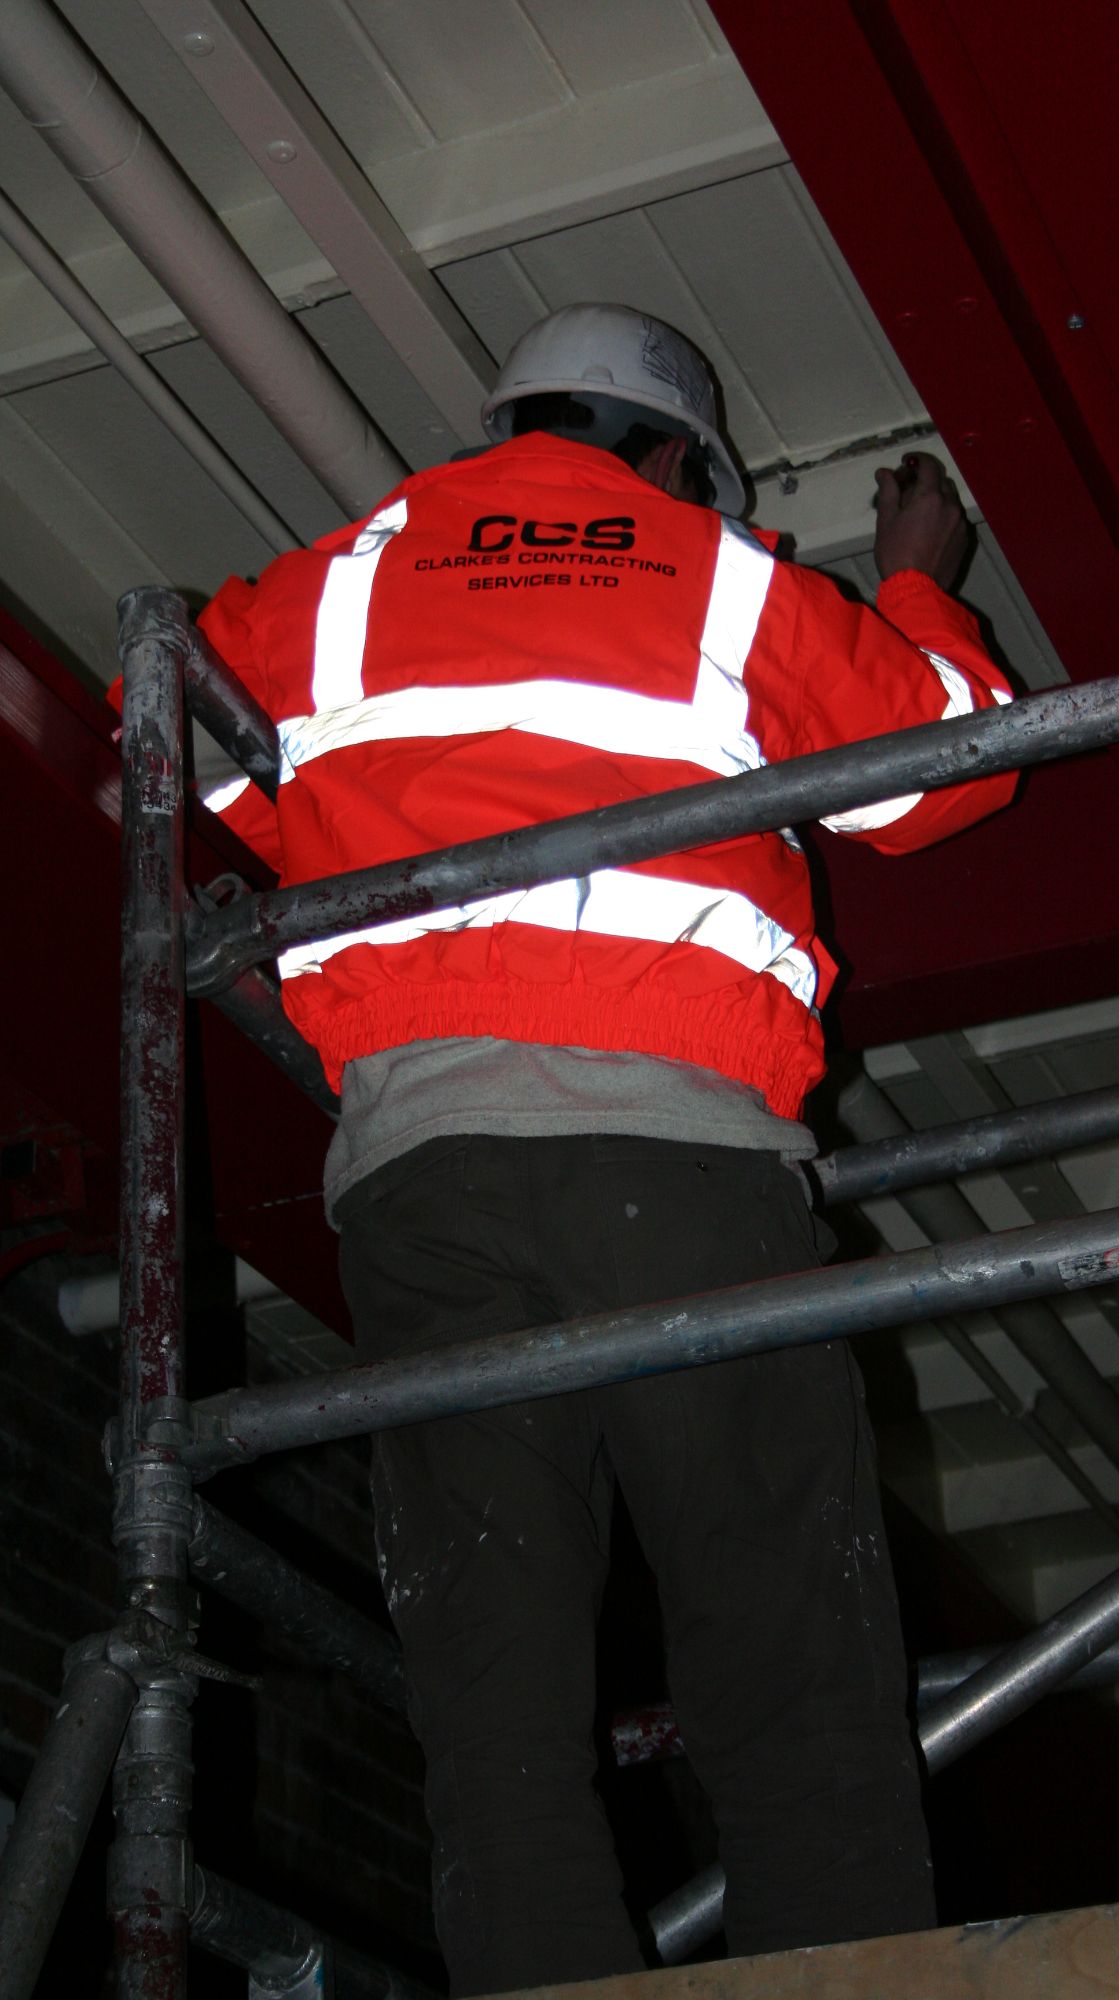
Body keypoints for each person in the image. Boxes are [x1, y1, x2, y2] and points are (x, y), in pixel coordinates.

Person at [196, 304, 1015, 1994]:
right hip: (683, 1168)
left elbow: (235, 808)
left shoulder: (313, 589)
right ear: (672, 462)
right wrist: (915, 570)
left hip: (420, 1189)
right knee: (787, 1662)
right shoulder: (717, 579)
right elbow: (945, 771)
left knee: (492, 1693)